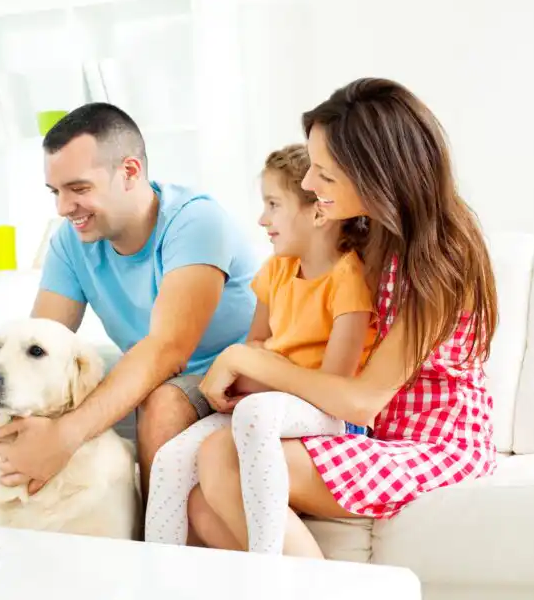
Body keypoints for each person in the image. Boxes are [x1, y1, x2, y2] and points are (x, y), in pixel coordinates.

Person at [187, 78, 499, 558]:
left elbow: (361, 402)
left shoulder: (441, 257)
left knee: (223, 461)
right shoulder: (371, 234)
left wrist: (247, 360)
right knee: (201, 506)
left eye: (324, 175)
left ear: (378, 175)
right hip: (372, 434)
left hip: (432, 445)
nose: (310, 185)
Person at [0, 102, 259, 524]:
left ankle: (157, 565)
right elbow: (41, 342)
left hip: (230, 380)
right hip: (151, 376)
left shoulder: (196, 222)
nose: (63, 207)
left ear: (130, 172)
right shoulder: (71, 240)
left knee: (162, 405)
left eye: (78, 189)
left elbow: (168, 351)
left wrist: (65, 435)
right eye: (55, 192)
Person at [144, 143, 378, 554]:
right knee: (171, 460)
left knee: (255, 412)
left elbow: (335, 387)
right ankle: (161, 579)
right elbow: (255, 342)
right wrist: (255, 371)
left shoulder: (348, 280)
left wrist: (262, 372)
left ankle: (268, 569)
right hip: (273, 403)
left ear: (319, 212)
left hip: (332, 416)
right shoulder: (275, 270)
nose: (262, 219)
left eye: (273, 204)